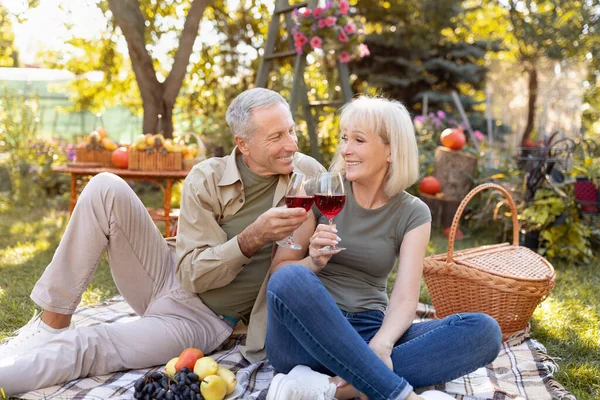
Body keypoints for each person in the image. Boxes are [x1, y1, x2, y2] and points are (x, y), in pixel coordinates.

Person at [0, 88, 323, 395]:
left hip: (201, 319)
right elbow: (192, 274)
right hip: (166, 273)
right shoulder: (207, 176)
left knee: (91, 344)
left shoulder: (306, 175)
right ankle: (52, 323)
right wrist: (252, 237)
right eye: (276, 137)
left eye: (291, 131)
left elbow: (348, 217)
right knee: (104, 187)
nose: (292, 145)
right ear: (243, 144)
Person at [264, 96, 503, 400]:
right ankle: (398, 393)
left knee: (483, 331)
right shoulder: (314, 191)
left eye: (358, 140)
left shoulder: (413, 213)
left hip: (368, 330)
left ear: (391, 150)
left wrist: (382, 344)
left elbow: (404, 297)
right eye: (344, 138)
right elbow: (278, 276)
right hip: (305, 336)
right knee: (291, 279)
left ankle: (329, 389)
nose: (345, 149)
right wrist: (313, 262)